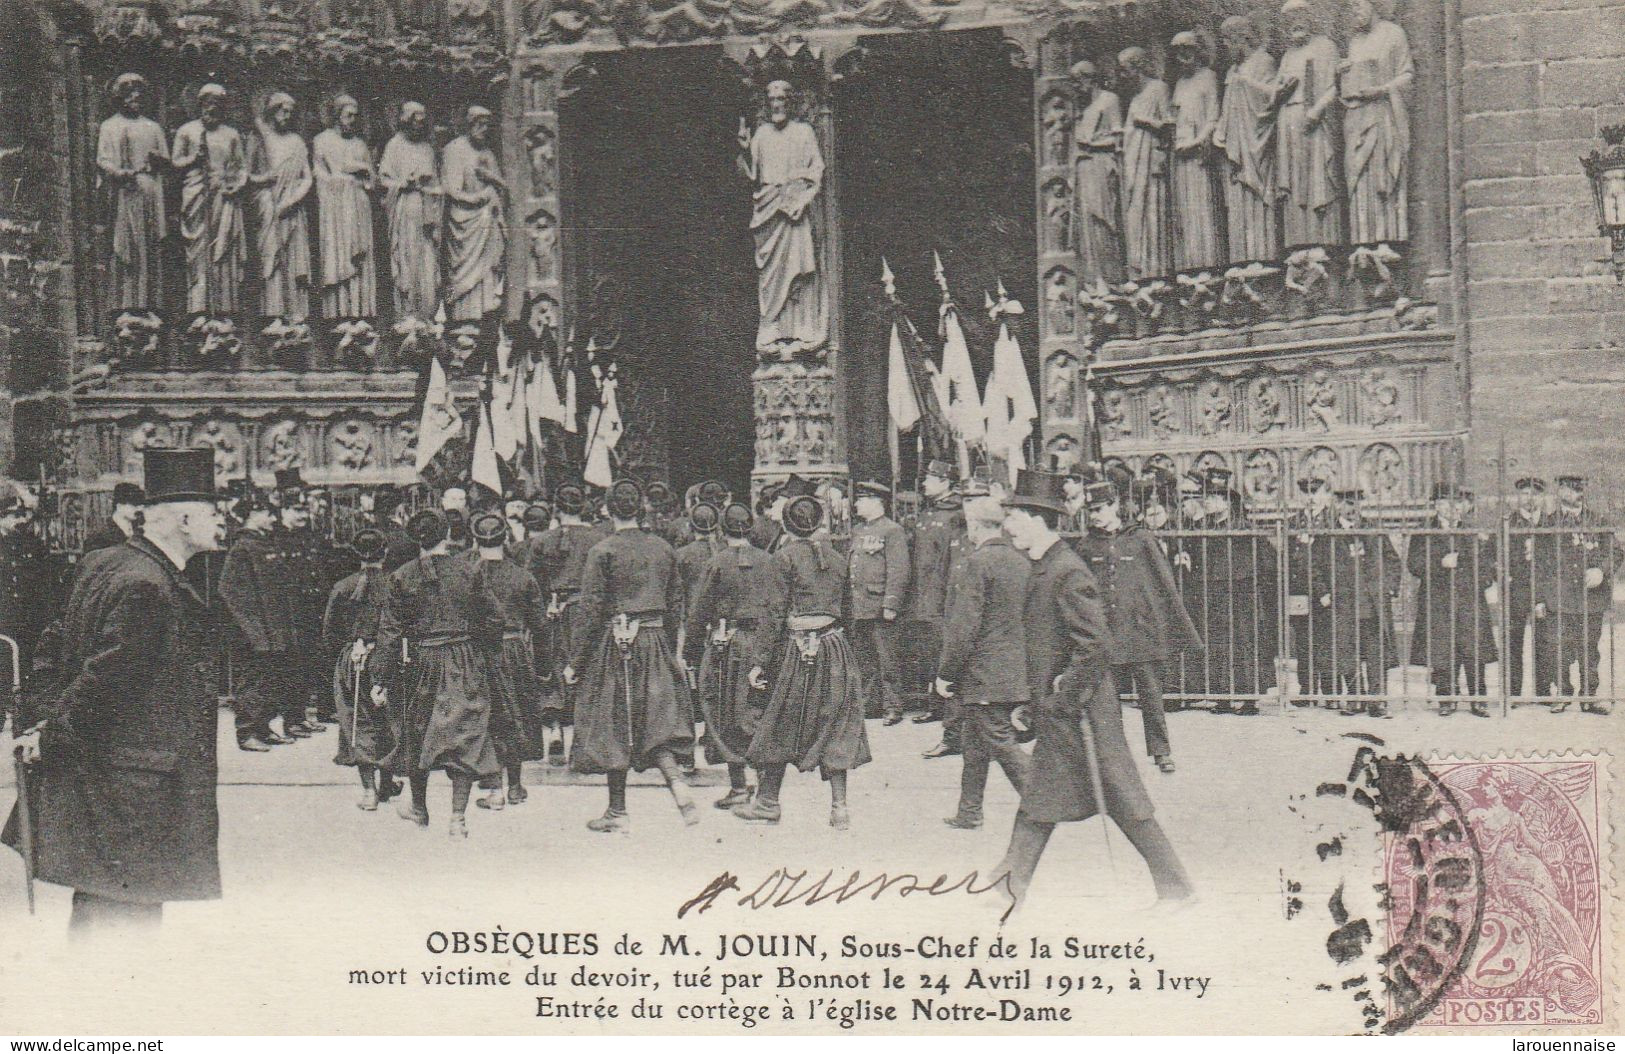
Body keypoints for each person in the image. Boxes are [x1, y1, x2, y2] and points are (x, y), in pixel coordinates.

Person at [4, 448, 226, 935]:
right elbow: (106, 679)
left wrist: (38, 721)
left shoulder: (105, 563)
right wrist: (53, 732)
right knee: (126, 919)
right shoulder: (150, 585)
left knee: (101, 906)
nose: (222, 521)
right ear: (184, 518)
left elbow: (52, 643)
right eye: (214, 511)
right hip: (136, 786)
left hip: (114, 781)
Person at [993, 469, 1193, 913]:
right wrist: (1037, 702)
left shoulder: (1066, 571)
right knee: (1039, 802)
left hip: (1086, 712)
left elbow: (1095, 646)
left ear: (1038, 519)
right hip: (1064, 711)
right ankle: (1007, 888)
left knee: (1123, 799)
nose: (1008, 526)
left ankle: (1177, 888)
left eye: (1015, 516)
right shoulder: (1048, 565)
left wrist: (1063, 696)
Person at [562, 479, 698, 832]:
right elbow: (676, 603)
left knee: (614, 723)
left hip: (616, 642)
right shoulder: (664, 548)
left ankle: (617, 811)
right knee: (656, 722)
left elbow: (590, 610)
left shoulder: (603, 550)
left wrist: (575, 662)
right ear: (641, 509)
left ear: (607, 510)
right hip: (655, 640)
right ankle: (678, 786)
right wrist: (671, 650)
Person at [735, 494, 871, 829]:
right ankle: (840, 809)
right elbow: (850, 614)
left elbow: (774, 615)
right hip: (835, 647)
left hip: (797, 649)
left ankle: (768, 802)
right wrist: (847, 651)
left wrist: (759, 663)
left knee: (780, 719)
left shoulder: (782, 559)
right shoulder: (838, 559)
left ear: (786, 524)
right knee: (836, 723)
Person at [372, 509, 503, 838]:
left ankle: (419, 808)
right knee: (466, 734)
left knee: (418, 732)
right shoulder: (468, 569)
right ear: (448, 534)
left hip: (421, 662)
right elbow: (494, 618)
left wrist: (379, 680)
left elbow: (389, 633)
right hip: (464, 660)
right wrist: (483, 650)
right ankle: (457, 818)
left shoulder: (402, 576)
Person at [1073, 480, 1201, 773]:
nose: (1095, 515)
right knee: (1107, 699)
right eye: (1090, 510)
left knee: (1151, 696)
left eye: (1100, 509)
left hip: (1141, 633)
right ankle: (1114, 756)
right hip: (1107, 635)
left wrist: (1168, 626)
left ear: (1115, 505)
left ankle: (1161, 752)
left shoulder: (1141, 538)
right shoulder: (1086, 545)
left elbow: (1164, 583)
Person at [933, 495, 1031, 830]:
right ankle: (969, 812)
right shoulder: (1021, 560)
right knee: (974, 742)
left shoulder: (977, 562)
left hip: (983, 673)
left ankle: (1044, 798)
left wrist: (946, 672)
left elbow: (963, 627)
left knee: (1000, 742)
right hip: (1011, 669)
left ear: (975, 526)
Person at [687, 501, 774, 810]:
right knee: (757, 711)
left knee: (724, 712)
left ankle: (739, 786)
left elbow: (699, 610)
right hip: (763, 643)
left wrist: (691, 652)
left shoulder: (718, 562)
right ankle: (764, 786)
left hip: (727, 644)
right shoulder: (769, 561)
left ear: (722, 530)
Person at [738, 79, 828, 355]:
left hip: (794, 211)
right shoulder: (762, 134)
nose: (777, 105)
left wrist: (800, 199)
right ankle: (771, 326)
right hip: (768, 210)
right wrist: (744, 148)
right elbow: (751, 176)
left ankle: (802, 327)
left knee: (800, 269)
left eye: (782, 100)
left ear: (790, 103)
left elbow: (817, 170)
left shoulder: (803, 132)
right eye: (772, 100)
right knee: (771, 273)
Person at [218, 487, 308, 751]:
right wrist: (251, 628)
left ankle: (263, 727)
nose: (272, 518)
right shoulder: (241, 549)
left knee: (270, 681)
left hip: (273, 630)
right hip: (255, 633)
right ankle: (247, 733)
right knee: (252, 682)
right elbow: (230, 593)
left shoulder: (263, 545)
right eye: (267, 513)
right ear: (253, 514)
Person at [468, 512, 548, 810]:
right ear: (506, 539)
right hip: (515, 650)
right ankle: (515, 786)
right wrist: (543, 666)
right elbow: (540, 626)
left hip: (480, 652)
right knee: (516, 714)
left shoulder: (468, 575)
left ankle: (494, 788)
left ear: (476, 540)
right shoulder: (523, 576)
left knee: (489, 717)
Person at [530, 481, 607, 762]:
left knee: (552, 668)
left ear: (556, 507)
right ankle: (586, 739)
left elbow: (533, 583)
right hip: (586, 611)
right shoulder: (598, 539)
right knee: (586, 667)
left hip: (553, 611)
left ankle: (554, 730)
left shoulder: (541, 541)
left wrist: (542, 610)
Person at [324, 528, 400, 810]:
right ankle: (386, 783)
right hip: (389, 657)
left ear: (355, 554)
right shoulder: (395, 583)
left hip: (352, 659)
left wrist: (345, 652)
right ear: (386, 552)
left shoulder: (343, 587)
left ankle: (369, 791)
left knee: (357, 720)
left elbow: (329, 632)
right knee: (389, 719)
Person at [1535, 476, 1622, 713]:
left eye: (1578, 489)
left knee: (1589, 648)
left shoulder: (1597, 520)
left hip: (1589, 599)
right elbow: (1540, 566)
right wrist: (1540, 599)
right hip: (1559, 598)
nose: (1574, 494)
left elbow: (1615, 552)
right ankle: (1563, 693)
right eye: (1569, 489)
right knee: (1558, 647)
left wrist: (1601, 571)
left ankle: (1589, 696)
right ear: (1560, 491)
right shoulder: (1548, 523)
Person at [1409, 484, 1495, 717]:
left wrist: (1482, 581)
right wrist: (1439, 564)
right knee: (1442, 651)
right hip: (1438, 600)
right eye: (1446, 502)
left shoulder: (1472, 529)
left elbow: (1488, 562)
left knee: (1473, 650)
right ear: (1436, 505)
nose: (1453, 507)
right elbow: (1414, 564)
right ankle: (1447, 698)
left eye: (1456, 502)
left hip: (1469, 598)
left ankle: (1478, 698)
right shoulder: (1424, 530)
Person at [1315, 489, 1400, 715]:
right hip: (1342, 604)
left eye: (1356, 504)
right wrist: (1322, 592)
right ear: (1337, 505)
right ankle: (1354, 698)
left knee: (1376, 653)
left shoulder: (1373, 529)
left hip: (1372, 604)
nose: (1352, 509)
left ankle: (1377, 700)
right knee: (1346, 651)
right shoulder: (1327, 533)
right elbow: (1313, 567)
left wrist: (1390, 587)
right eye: (1347, 504)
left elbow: (1392, 560)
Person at [908, 459, 967, 757]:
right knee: (932, 654)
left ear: (946, 481)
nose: (924, 483)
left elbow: (949, 566)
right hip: (925, 597)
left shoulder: (956, 516)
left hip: (943, 598)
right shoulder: (927, 513)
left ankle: (953, 729)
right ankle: (937, 708)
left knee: (948, 658)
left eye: (931, 478)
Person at [171, 83, 247, 315]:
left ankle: (223, 306)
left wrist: (237, 185)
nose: (211, 109)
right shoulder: (187, 131)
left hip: (223, 195)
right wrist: (194, 158)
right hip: (196, 192)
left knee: (222, 248)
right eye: (207, 104)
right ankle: (198, 304)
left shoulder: (231, 134)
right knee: (198, 246)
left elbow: (241, 168)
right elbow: (175, 163)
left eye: (216, 105)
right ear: (200, 105)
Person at [97, 73, 168, 310]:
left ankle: (148, 304)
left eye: (138, 95)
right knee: (126, 247)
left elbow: (165, 160)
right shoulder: (109, 126)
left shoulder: (153, 127)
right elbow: (103, 160)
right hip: (124, 193)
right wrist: (120, 173)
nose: (134, 99)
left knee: (148, 249)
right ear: (120, 97)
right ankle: (125, 304)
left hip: (148, 193)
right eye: (129, 95)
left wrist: (158, 160)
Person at [848, 481, 911, 724]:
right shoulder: (858, 531)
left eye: (861, 499)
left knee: (887, 660)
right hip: (860, 605)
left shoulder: (892, 531)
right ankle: (870, 703)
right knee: (866, 659)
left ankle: (893, 706)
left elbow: (899, 569)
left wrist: (891, 603)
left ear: (876, 502)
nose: (856, 504)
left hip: (880, 606)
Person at [312, 94, 379, 319]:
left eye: (356, 116)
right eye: (348, 115)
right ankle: (338, 313)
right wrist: (336, 181)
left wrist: (364, 172)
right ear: (337, 115)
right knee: (338, 255)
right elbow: (318, 172)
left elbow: (372, 181)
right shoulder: (322, 140)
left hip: (358, 206)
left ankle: (360, 312)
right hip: (335, 209)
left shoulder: (360, 144)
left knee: (360, 260)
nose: (353, 120)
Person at [248, 92, 313, 321]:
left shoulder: (297, 142)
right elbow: (248, 176)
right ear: (272, 111)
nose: (286, 115)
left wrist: (291, 200)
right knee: (271, 257)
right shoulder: (262, 139)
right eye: (282, 110)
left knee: (294, 260)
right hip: (269, 207)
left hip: (292, 209)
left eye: (290, 112)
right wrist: (265, 181)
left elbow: (307, 177)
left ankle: (295, 312)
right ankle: (274, 311)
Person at [377, 100, 443, 320]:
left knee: (427, 260)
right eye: (416, 121)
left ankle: (426, 311)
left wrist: (430, 188)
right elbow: (383, 180)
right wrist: (405, 182)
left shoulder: (427, 149)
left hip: (426, 213)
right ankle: (406, 311)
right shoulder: (394, 146)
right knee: (407, 258)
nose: (419, 126)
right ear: (406, 121)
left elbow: (437, 184)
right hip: (404, 210)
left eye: (422, 122)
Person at [442, 105, 506, 321]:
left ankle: (488, 311)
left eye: (487, 126)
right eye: (480, 125)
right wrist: (478, 198)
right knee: (464, 271)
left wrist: (490, 179)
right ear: (469, 125)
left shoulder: (487, 153)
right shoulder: (454, 149)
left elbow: (501, 187)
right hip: (464, 220)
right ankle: (464, 316)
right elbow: (451, 189)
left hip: (487, 220)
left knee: (489, 268)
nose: (484, 130)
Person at [1168, 31, 1225, 270]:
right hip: (1182, 154)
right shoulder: (1180, 84)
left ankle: (1209, 264)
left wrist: (1199, 140)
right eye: (1178, 50)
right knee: (1186, 209)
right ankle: (1190, 266)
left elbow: (1214, 116)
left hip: (1202, 153)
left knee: (1203, 205)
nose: (1183, 54)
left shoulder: (1209, 77)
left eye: (1188, 48)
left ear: (1198, 51)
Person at [1505, 477, 1549, 698]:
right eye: (1524, 493)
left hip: (1545, 590)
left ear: (1541, 497)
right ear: (1518, 497)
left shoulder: (1550, 523)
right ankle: (1513, 692)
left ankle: (1543, 692)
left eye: (1534, 493)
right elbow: (1496, 556)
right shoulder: (1508, 523)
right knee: (1514, 641)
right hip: (1517, 590)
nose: (1529, 498)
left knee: (1545, 640)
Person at [84, 482, 144, 553]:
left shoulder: (141, 531)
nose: (140, 509)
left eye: (141, 505)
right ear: (119, 506)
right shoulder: (99, 538)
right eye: (135, 505)